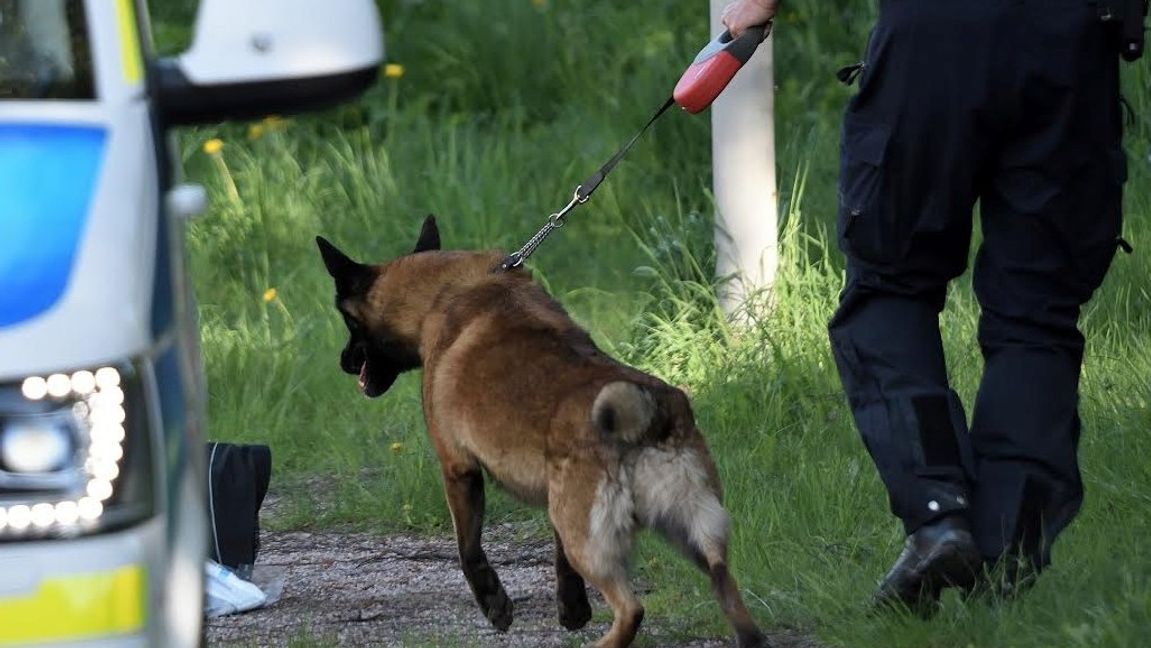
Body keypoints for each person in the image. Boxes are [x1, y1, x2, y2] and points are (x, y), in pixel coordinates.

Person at [723, 0, 1130, 611]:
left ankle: (940, 516)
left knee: (889, 287)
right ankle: (1007, 556)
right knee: (1038, 314)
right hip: (1073, 42)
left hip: (936, 36)